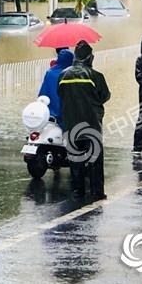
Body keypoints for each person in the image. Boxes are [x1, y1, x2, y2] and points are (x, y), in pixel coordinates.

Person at [58, 40, 111, 197]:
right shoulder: (95, 76)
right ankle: (97, 192)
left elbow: (60, 94)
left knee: (75, 158)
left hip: (70, 123)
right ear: (90, 58)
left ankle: (77, 190)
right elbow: (105, 96)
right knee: (95, 158)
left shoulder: (63, 75)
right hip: (91, 123)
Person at [38, 49, 74, 127]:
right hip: (66, 117)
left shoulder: (50, 73)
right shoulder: (71, 74)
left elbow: (42, 94)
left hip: (49, 116)